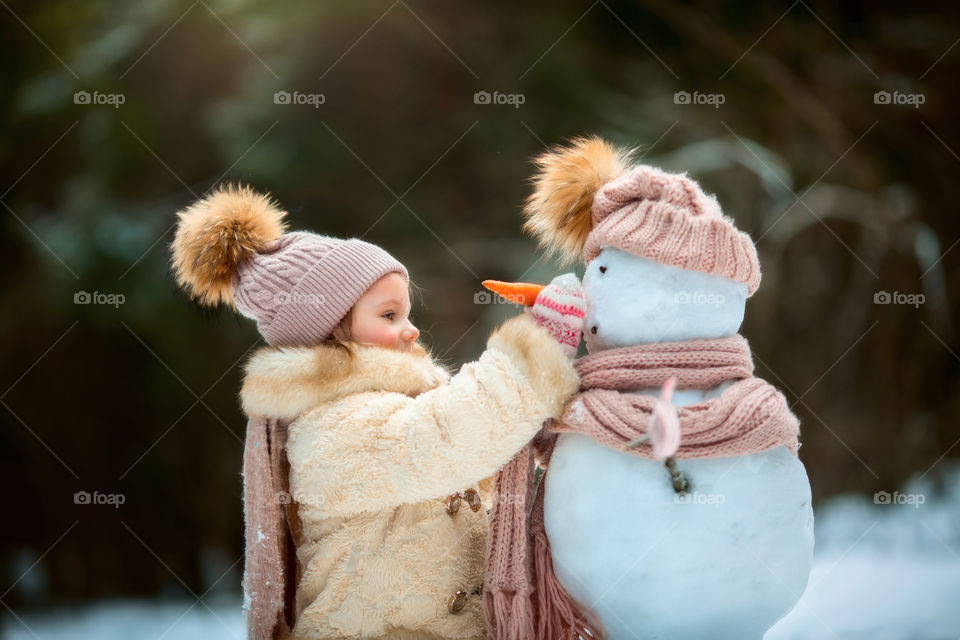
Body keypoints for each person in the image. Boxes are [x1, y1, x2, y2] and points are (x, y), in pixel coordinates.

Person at [168, 184, 586, 639]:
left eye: (406, 313)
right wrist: (531, 357)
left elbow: (476, 442)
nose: (411, 330)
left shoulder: (395, 406)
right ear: (330, 329)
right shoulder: (332, 426)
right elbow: (439, 441)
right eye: (389, 316)